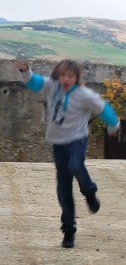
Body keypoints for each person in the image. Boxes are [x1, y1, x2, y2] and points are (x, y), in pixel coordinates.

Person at [16, 59, 120, 248]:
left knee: (75, 165)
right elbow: (34, 82)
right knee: (63, 187)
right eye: (63, 75)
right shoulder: (51, 86)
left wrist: (113, 123)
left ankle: (89, 192)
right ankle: (68, 230)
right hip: (57, 141)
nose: (66, 79)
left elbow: (102, 106)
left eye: (70, 76)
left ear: (76, 77)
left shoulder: (84, 94)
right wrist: (25, 71)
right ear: (58, 75)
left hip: (77, 139)